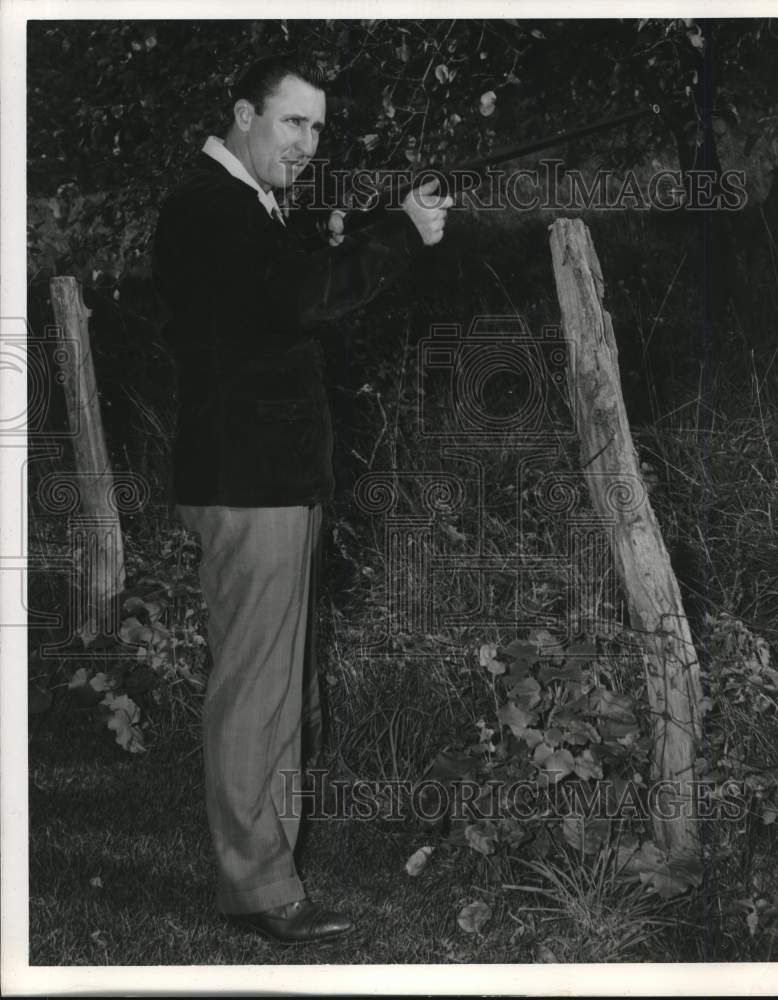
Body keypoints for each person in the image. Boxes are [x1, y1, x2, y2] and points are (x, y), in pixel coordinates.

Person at [152, 55, 451, 945]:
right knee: (257, 690)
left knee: (280, 689)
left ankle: (265, 872)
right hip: (251, 486)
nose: (307, 143)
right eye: (291, 123)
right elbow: (299, 300)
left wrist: (336, 234)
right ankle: (256, 888)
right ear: (243, 115)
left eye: (317, 128)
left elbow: (273, 295)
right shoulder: (211, 207)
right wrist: (396, 233)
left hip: (267, 482)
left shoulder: (240, 208)